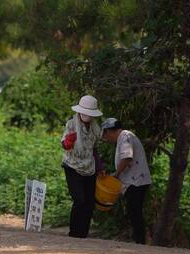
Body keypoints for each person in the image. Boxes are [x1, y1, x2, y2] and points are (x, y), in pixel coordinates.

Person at [101, 118, 152, 244]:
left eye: (105, 134)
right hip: (134, 181)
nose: (106, 137)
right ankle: (140, 240)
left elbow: (127, 157)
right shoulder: (123, 138)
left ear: (109, 131)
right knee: (133, 211)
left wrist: (116, 174)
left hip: (137, 181)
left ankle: (141, 242)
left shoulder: (125, 136)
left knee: (135, 211)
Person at [60, 95, 105, 238]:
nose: (86, 115)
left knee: (90, 203)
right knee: (79, 200)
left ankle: (83, 234)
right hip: (72, 166)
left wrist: (99, 167)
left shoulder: (94, 128)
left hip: (89, 167)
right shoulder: (71, 124)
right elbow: (64, 144)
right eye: (84, 112)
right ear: (79, 112)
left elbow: (94, 149)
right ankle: (74, 233)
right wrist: (68, 142)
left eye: (89, 113)